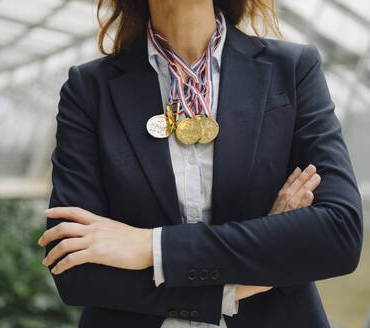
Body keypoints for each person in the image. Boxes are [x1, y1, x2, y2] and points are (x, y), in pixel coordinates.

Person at [37, 1, 364, 327]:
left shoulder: (292, 70)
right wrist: (244, 280)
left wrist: (152, 247)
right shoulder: (89, 89)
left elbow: (339, 233)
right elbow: (75, 270)